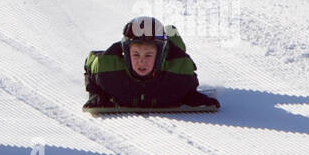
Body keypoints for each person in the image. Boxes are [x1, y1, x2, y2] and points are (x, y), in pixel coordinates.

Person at [84, 17, 219, 110]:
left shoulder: (179, 69)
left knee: (174, 41)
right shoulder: (107, 66)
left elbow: (188, 85)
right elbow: (89, 62)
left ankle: (170, 30)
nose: (141, 60)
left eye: (148, 55)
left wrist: (189, 95)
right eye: (135, 54)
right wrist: (96, 93)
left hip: (170, 45)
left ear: (161, 56)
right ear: (126, 53)